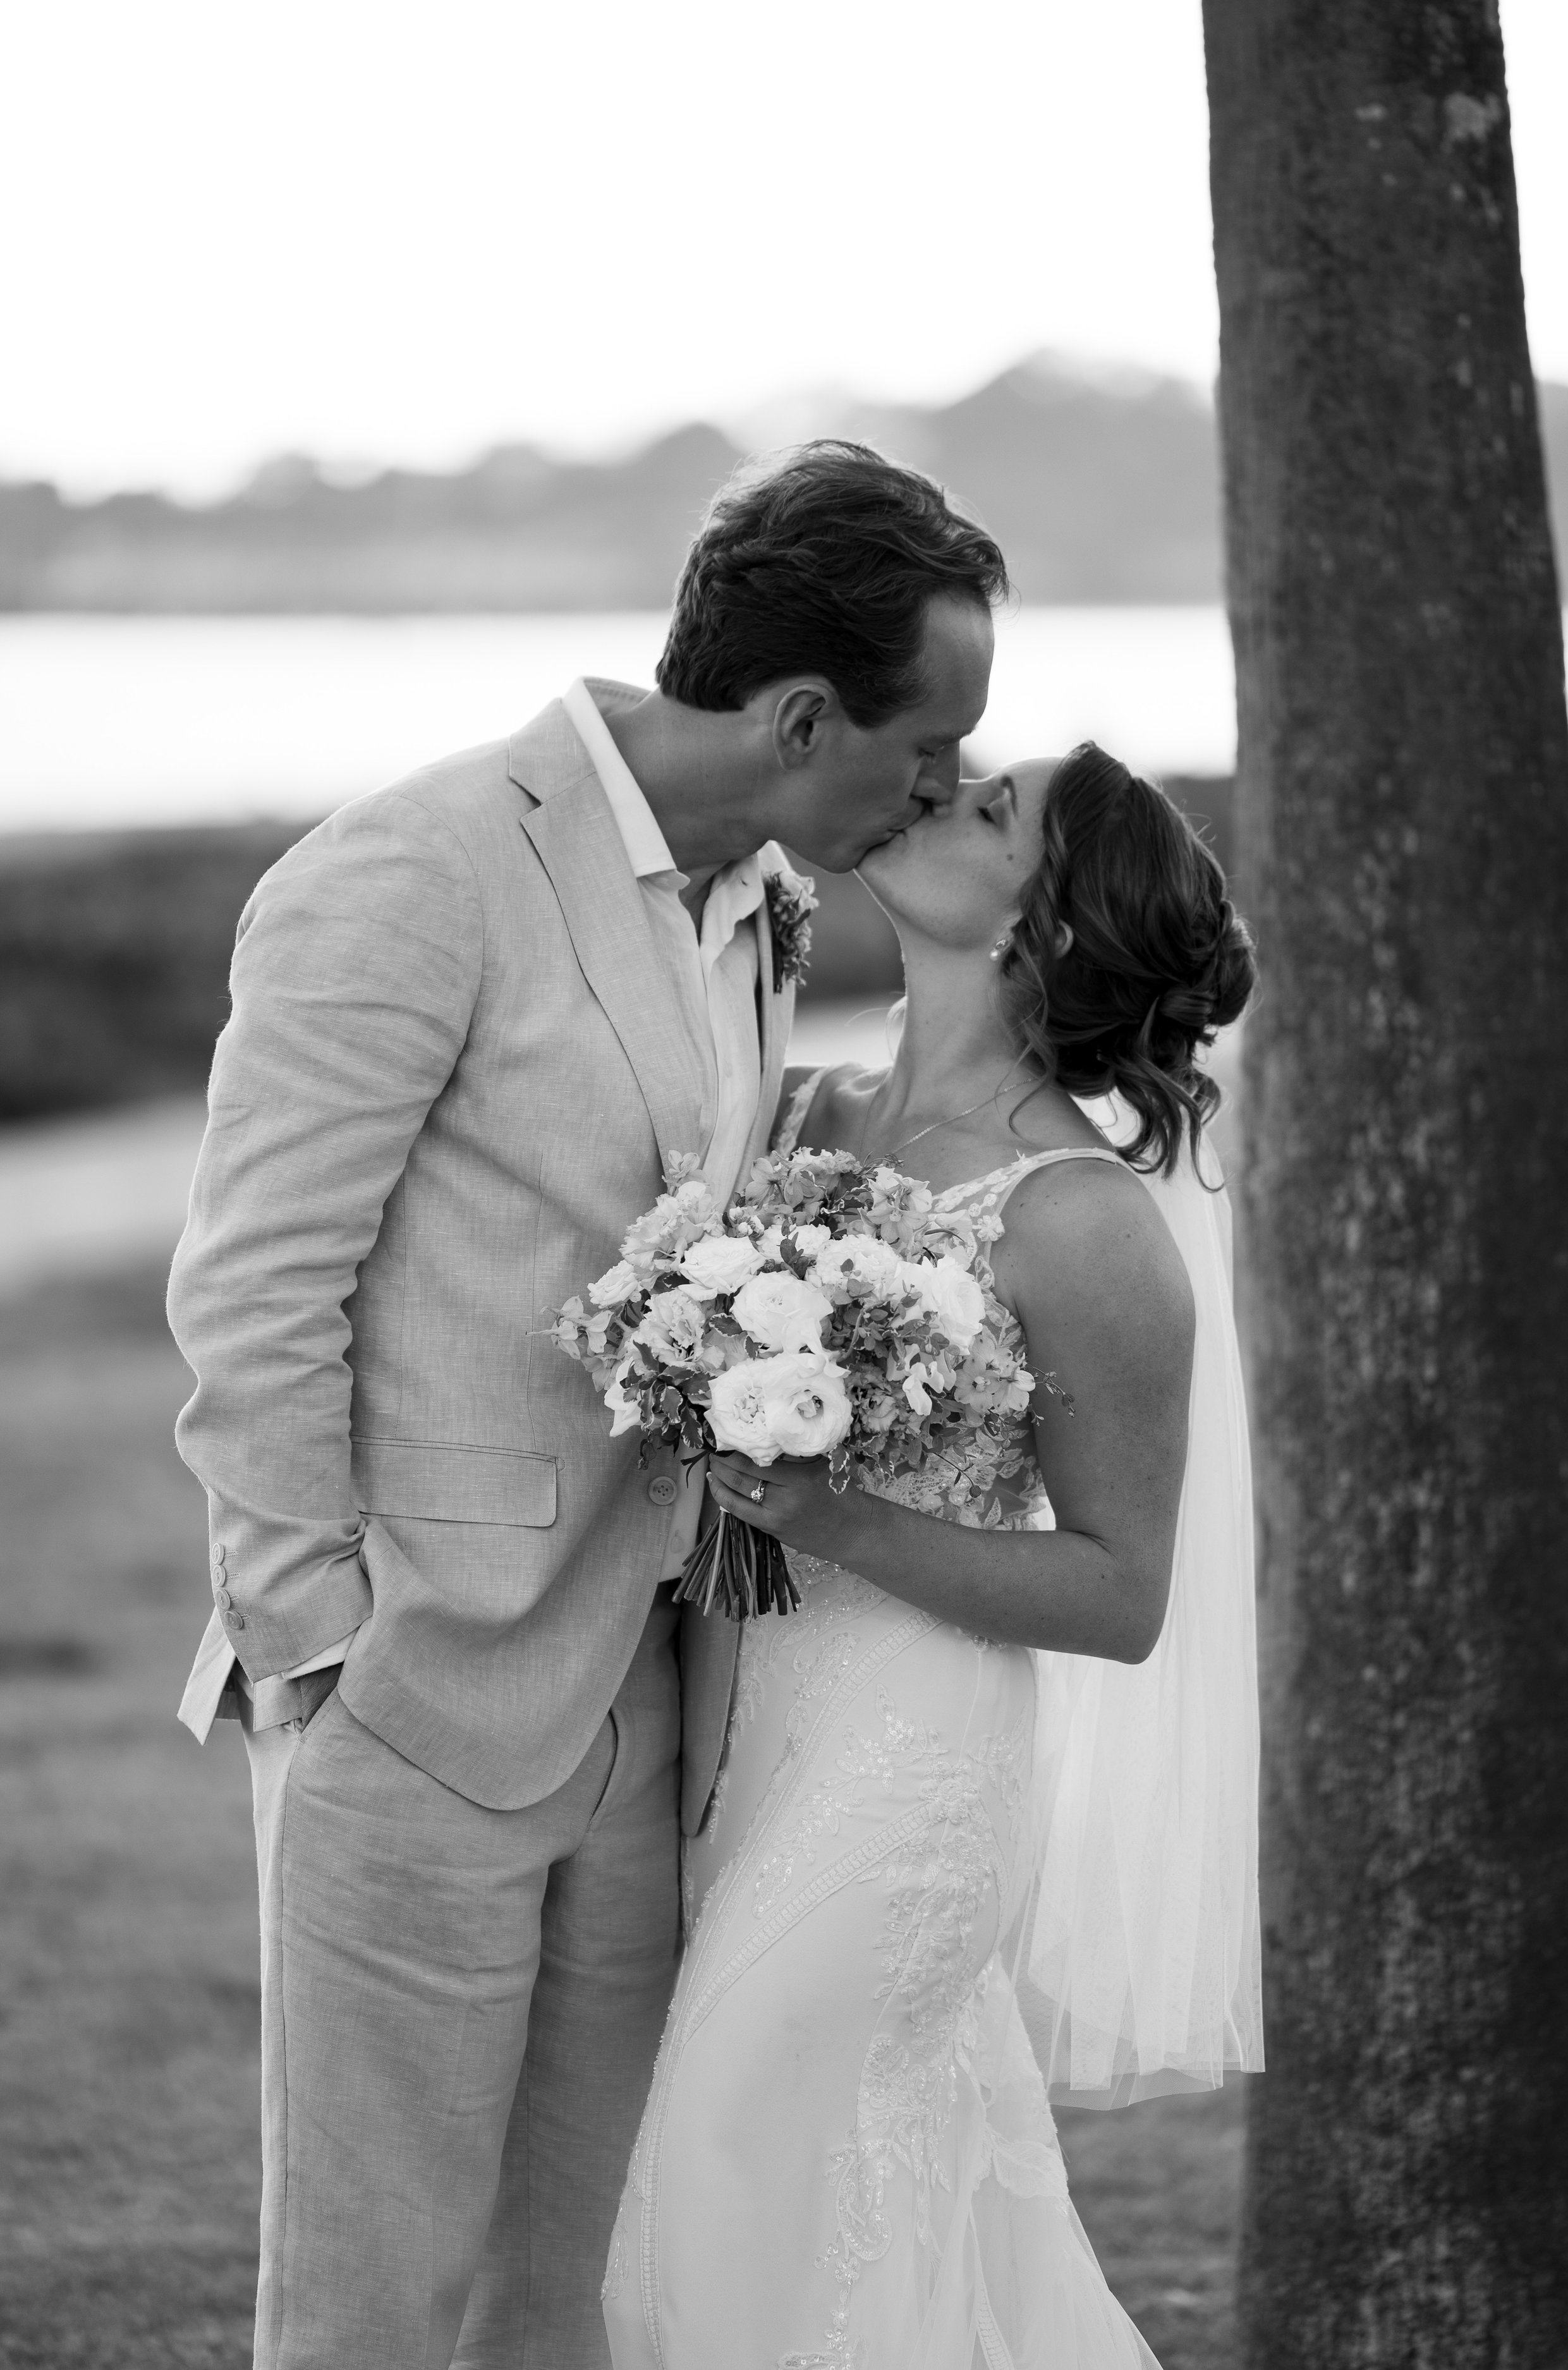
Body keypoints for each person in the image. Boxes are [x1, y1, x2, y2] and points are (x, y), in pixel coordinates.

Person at [166, 441, 1006, 2369]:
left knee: (579, 2286)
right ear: (801, 719)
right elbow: (254, 1283)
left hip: (642, 1690)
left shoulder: (759, 901)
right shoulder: (415, 869)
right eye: (928, 741)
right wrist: (320, 1647)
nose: (943, 780)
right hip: (410, 1683)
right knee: (372, 2294)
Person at [604, 742, 1262, 2368]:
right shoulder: (798, 1108)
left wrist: (836, 1518)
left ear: (1043, 922)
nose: (937, 790)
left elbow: (1119, 1594)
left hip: (905, 1766)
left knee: (722, 2162)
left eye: (989, 809)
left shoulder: (1080, 1220)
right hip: (717, 1726)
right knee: (808, 2200)